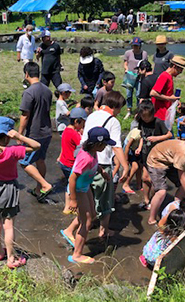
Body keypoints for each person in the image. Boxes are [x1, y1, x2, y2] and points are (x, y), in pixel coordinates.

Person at [0, 116, 41, 269]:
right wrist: (19, 136)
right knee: (8, 226)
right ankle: (11, 258)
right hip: (8, 189)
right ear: (8, 136)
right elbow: (37, 146)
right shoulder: (13, 151)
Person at [61, 127, 114, 264]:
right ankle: (77, 255)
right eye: (105, 144)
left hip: (84, 188)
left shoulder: (92, 153)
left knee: (92, 214)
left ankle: (68, 231)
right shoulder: (85, 158)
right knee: (87, 221)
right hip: (78, 191)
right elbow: (72, 178)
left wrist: (102, 172)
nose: (106, 146)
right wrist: (73, 200)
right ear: (98, 144)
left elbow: (94, 165)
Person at [81, 91, 129, 238]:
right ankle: (104, 230)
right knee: (105, 199)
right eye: (120, 108)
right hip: (102, 163)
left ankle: (85, 223)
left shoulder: (91, 115)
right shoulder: (113, 121)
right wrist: (125, 166)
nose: (119, 112)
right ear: (115, 106)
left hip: (86, 160)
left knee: (88, 195)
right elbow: (117, 147)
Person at [19, 62, 54, 201]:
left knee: (23, 162)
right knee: (40, 160)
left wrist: (19, 134)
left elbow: (25, 116)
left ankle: (45, 185)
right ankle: (39, 190)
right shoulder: (47, 90)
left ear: (26, 74)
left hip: (34, 134)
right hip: (47, 131)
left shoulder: (29, 92)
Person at [136, 100, 172, 209]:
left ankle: (153, 200)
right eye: (143, 116)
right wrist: (139, 147)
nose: (146, 119)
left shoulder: (158, 122)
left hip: (156, 156)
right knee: (145, 178)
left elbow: (169, 134)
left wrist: (157, 138)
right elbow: (143, 136)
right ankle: (146, 199)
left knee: (153, 179)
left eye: (148, 117)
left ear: (153, 114)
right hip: (145, 153)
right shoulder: (141, 122)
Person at [150, 56, 185, 122]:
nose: (181, 72)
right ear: (174, 66)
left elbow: (166, 93)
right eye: (180, 69)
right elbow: (153, 93)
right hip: (159, 115)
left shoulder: (169, 76)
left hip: (165, 114)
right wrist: (169, 99)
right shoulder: (164, 76)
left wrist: (175, 100)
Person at [58, 108, 88, 181]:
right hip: (70, 165)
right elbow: (83, 147)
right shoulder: (74, 134)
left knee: (69, 181)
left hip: (63, 162)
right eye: (83, 123)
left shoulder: (66, 130)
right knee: (75, 184)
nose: (83, 126)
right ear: (76, 121)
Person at [123, 37, 148, 119]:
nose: (135, 47)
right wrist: (126, 69)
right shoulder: (128, 53)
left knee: (138, 94)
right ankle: (129, 110)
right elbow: (125, 63)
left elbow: (145, 64)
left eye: (137, 46)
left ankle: (138, 110)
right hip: (130, 76)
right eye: (133, 46)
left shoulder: (144, 54)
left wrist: (143, 72)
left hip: (140, 77)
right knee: (128, 94)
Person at [122, 127, 142, 194]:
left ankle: (139, 185)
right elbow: (127, 146)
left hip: (135, 148)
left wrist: (139, 148)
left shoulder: (145, 132)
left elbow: (142, 139)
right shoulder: (136, 134)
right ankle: (125, 184)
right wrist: (126, 159)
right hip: (128, 148)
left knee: (140, 166)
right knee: (135, 166)